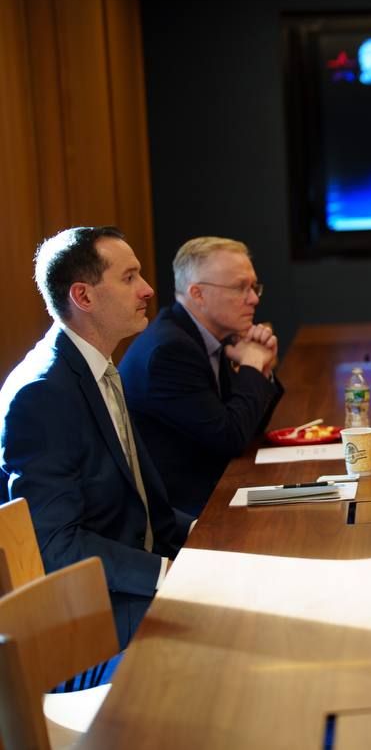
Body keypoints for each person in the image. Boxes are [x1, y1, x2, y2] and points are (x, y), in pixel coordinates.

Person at [0, 227, 194, 662]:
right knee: (235, 624)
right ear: (83, 297)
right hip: (86, 616)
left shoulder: (98, 367)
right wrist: (168, 573)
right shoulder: (42, 393)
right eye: (129, 277)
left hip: (127, 584)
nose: (147, 289)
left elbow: (139, 505)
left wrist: (205, 534)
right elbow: (55, 544)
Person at [120, 237, 283, 516]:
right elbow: (230, 438)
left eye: (254, 287)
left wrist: (261, 371)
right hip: (184, 513)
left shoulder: (208, 335)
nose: (254, 298)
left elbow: (247, 428)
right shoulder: (170, 351)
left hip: (216, 486)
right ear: (198, 294)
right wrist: (253, 365)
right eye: (240, 288)